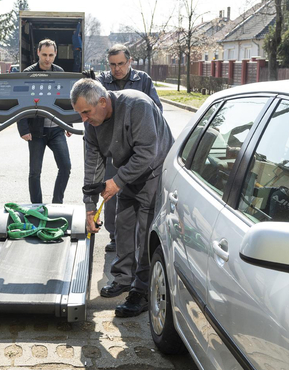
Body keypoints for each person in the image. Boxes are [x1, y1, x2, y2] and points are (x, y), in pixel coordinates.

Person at [71, 78, 174, 317]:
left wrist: (117, 181)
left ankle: (142, 290)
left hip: (155, 170)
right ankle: (123, 277)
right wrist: (89, 207)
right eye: (80, 114)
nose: (83, 119)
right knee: (123, 222)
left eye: (86, 112)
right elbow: (92, 165)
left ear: (104, 102)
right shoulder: (92, 125)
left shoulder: (137, 106)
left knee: (147, 230)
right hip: (129, 170)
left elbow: (147, 152)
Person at [95, 44, 163, 253]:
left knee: (140, 195)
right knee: (111, 191)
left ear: (129, 61)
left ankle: (139, 240)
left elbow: (156, 109)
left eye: (121, 64)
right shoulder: (101, 82)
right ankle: (115, 236)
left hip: (138, 148)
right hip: (113, 150)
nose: (117, 69)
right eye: (113, 65)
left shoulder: (143, 80)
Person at [19, 39, 71, 204]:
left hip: (56, 129)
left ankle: (57, 203)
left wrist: (68, 123)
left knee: (66, 167)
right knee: (35, 172)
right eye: (44, 55)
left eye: (50, 55)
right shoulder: (28, 73)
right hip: (36, 131)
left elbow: (66, 99)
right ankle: (36, 205)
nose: (47, 59)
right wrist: (23, 129)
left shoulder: (59, 72)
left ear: (55, 54)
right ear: (38, 53)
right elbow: (20, 101)